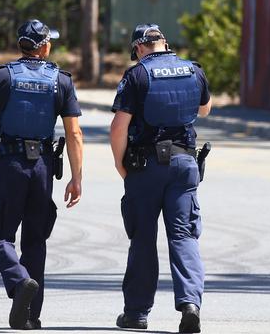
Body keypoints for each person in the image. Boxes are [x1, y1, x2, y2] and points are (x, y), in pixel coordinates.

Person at [0, 19, 83, 330]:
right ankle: (30, 315)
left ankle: (20, 282)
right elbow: (74, 134)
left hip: (10, 165)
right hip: (43, 167)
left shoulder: (1, 77)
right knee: (35, 241)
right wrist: (76, 177)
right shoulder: (61, 80)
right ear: (44, 46)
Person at [110, 23, 211, 333]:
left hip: (146, 166)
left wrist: (120, 164)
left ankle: (136, 314)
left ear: (140, 48)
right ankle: (190, 304)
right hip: (184, 162)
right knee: (183, 235)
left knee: (142, 239)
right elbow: (205, 109)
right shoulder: (193, 70)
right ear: (164, 44)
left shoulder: (137, 75)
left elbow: (119, 127)